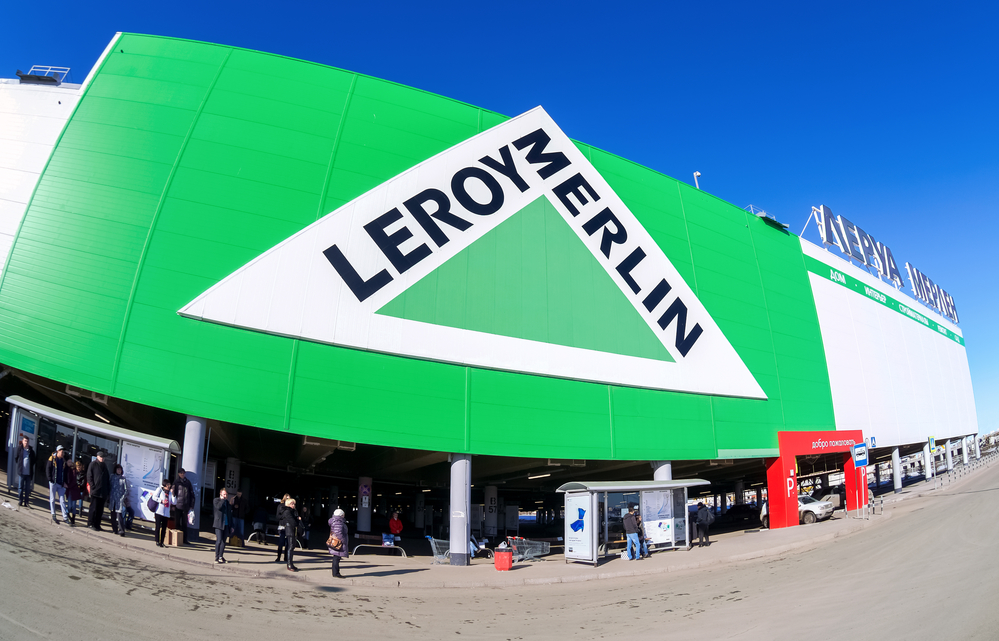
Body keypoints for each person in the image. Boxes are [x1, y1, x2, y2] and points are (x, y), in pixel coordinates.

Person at [86, 451, 111, 531]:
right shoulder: (93, 464)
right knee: (93, 508)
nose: (102, 458)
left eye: (103, 457)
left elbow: (107, 479)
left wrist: (107, 490)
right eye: (101, 457)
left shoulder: (105, 466)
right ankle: (90, 523)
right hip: (96, 491)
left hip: (103, 492)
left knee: (100, 510)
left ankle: (97, 524)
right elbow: (89, 476)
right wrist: (93, 486)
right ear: (97, 456)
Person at [45, 445, 70, 524]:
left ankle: (65, 517)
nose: (63, 453)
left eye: (63, 452)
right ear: (58, 451)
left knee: (62, 500)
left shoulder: (63, 461)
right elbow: (48, 468)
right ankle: (53, 513)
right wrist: (50, 479)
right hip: (53, 482)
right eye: (61, 451)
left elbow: (65, 472)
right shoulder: (52, 458)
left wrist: (65, 482)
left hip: (60, 483)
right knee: (52, 498)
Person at [171, 468, 194, 546]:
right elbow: (173, 494)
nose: (182, 474)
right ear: (178, 474)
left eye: (183, 473)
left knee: (185, 524)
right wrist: (173, 505)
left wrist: (191, 505)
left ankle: (184, 539)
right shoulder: (176, 482)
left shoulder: (188, 482)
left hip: (185, 506)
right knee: (177, 522)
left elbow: (192, 494)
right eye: (181, 473)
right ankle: (176, 539)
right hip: (178, 505)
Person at [212, 488, 233, 563]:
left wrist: (231, 525)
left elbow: (230, 514)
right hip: (219, 524)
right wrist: (222, 500)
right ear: (220, 494)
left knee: (224, 541)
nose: (225, 496)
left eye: (226, 495)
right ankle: (216, 557)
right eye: (224, 494)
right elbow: (218, 507)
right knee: (219, 540)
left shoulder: (227, 503)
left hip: (226, 524)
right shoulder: (216, 500)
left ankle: (221, 556)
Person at [108, 464, 129, 537]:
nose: (119, 471)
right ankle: (114, 529)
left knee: (119, 515)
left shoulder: (123, 479)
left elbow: (126, 490)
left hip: (119, 500)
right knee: (113, 515)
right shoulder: (112, 477)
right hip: (112, 499)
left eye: (120, 469)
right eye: (118, 469)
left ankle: (121, 530)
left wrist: (123, 497)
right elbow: (109, 486)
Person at [280, 498, 301, 571]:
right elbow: (293, 522)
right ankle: (289, 564)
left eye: (294, 504)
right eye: (292, 504)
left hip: (292, 529)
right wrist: (297, 520)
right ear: (288, 504)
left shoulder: (293, 511)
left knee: (292, 547)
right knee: (290, 546)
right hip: (290, 530)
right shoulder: (287, 511)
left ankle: (291, 563)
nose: (293, 505)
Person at [15, 436, 36, 508]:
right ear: (22, 441)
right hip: (22, 472)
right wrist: (20, 465)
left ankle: (26, 502)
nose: (26, 443)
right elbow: (16, 457)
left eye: (27, 441)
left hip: (28, 473)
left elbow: (34, 460)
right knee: (20, 487)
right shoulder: (20, 449)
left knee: (27, 489)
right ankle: (20, 501)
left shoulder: (31, 451)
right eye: (25, 441)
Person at [327, 508, 348, 579]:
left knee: (336, 557)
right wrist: (343, 540)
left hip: (335, 541)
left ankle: (336, 572)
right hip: (338, 542)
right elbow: (338, 533)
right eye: (343, 514)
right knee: (336, 557)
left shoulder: (335, 521)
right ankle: (336, 573)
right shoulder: (338, 522)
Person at [152, 479, 172, 547]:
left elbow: (174, 502)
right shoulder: (160, 489)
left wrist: (173, 494)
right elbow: (154, 497)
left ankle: (162, 542)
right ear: (165, 485)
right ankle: (157, 541)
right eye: (168, 485)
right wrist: (161, 501)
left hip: (166, 513)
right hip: (159, 511)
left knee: (164, 528)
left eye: (169, 485)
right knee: (158, 527)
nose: (169, 486)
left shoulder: (170, 492)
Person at [66, 460, 86, 525]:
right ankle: (68, 514)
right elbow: (70, 480)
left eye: (79, 467)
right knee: (70, 505)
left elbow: (81, 482)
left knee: (74, 505)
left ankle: (73, 518)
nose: (78, 468)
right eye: (77, 467)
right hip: (71, 489)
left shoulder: (81, 473)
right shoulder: (72, 472)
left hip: (75, 490)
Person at [275, 494, 291, 562]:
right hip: (282, 526)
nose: (288, 500)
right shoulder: (280, 506)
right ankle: (278, 557)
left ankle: (286, 557)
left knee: (287, 544)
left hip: (289, 527)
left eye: (289, 498)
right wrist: (284, 517)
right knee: (281, 542)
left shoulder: (291, 507)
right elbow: (277, 516)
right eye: (287, 498)